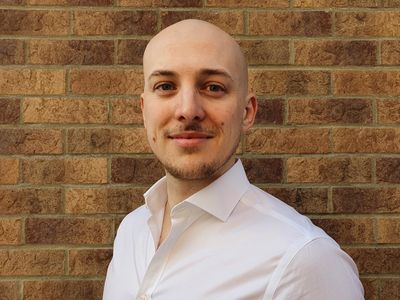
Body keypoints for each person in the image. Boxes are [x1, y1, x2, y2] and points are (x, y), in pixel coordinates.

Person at [103, 19, 364, 300]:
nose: (188, 110)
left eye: (214, 87)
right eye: (166, 86)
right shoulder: (132, 231)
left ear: (247, 112)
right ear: (144, 110)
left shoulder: (304, 260)